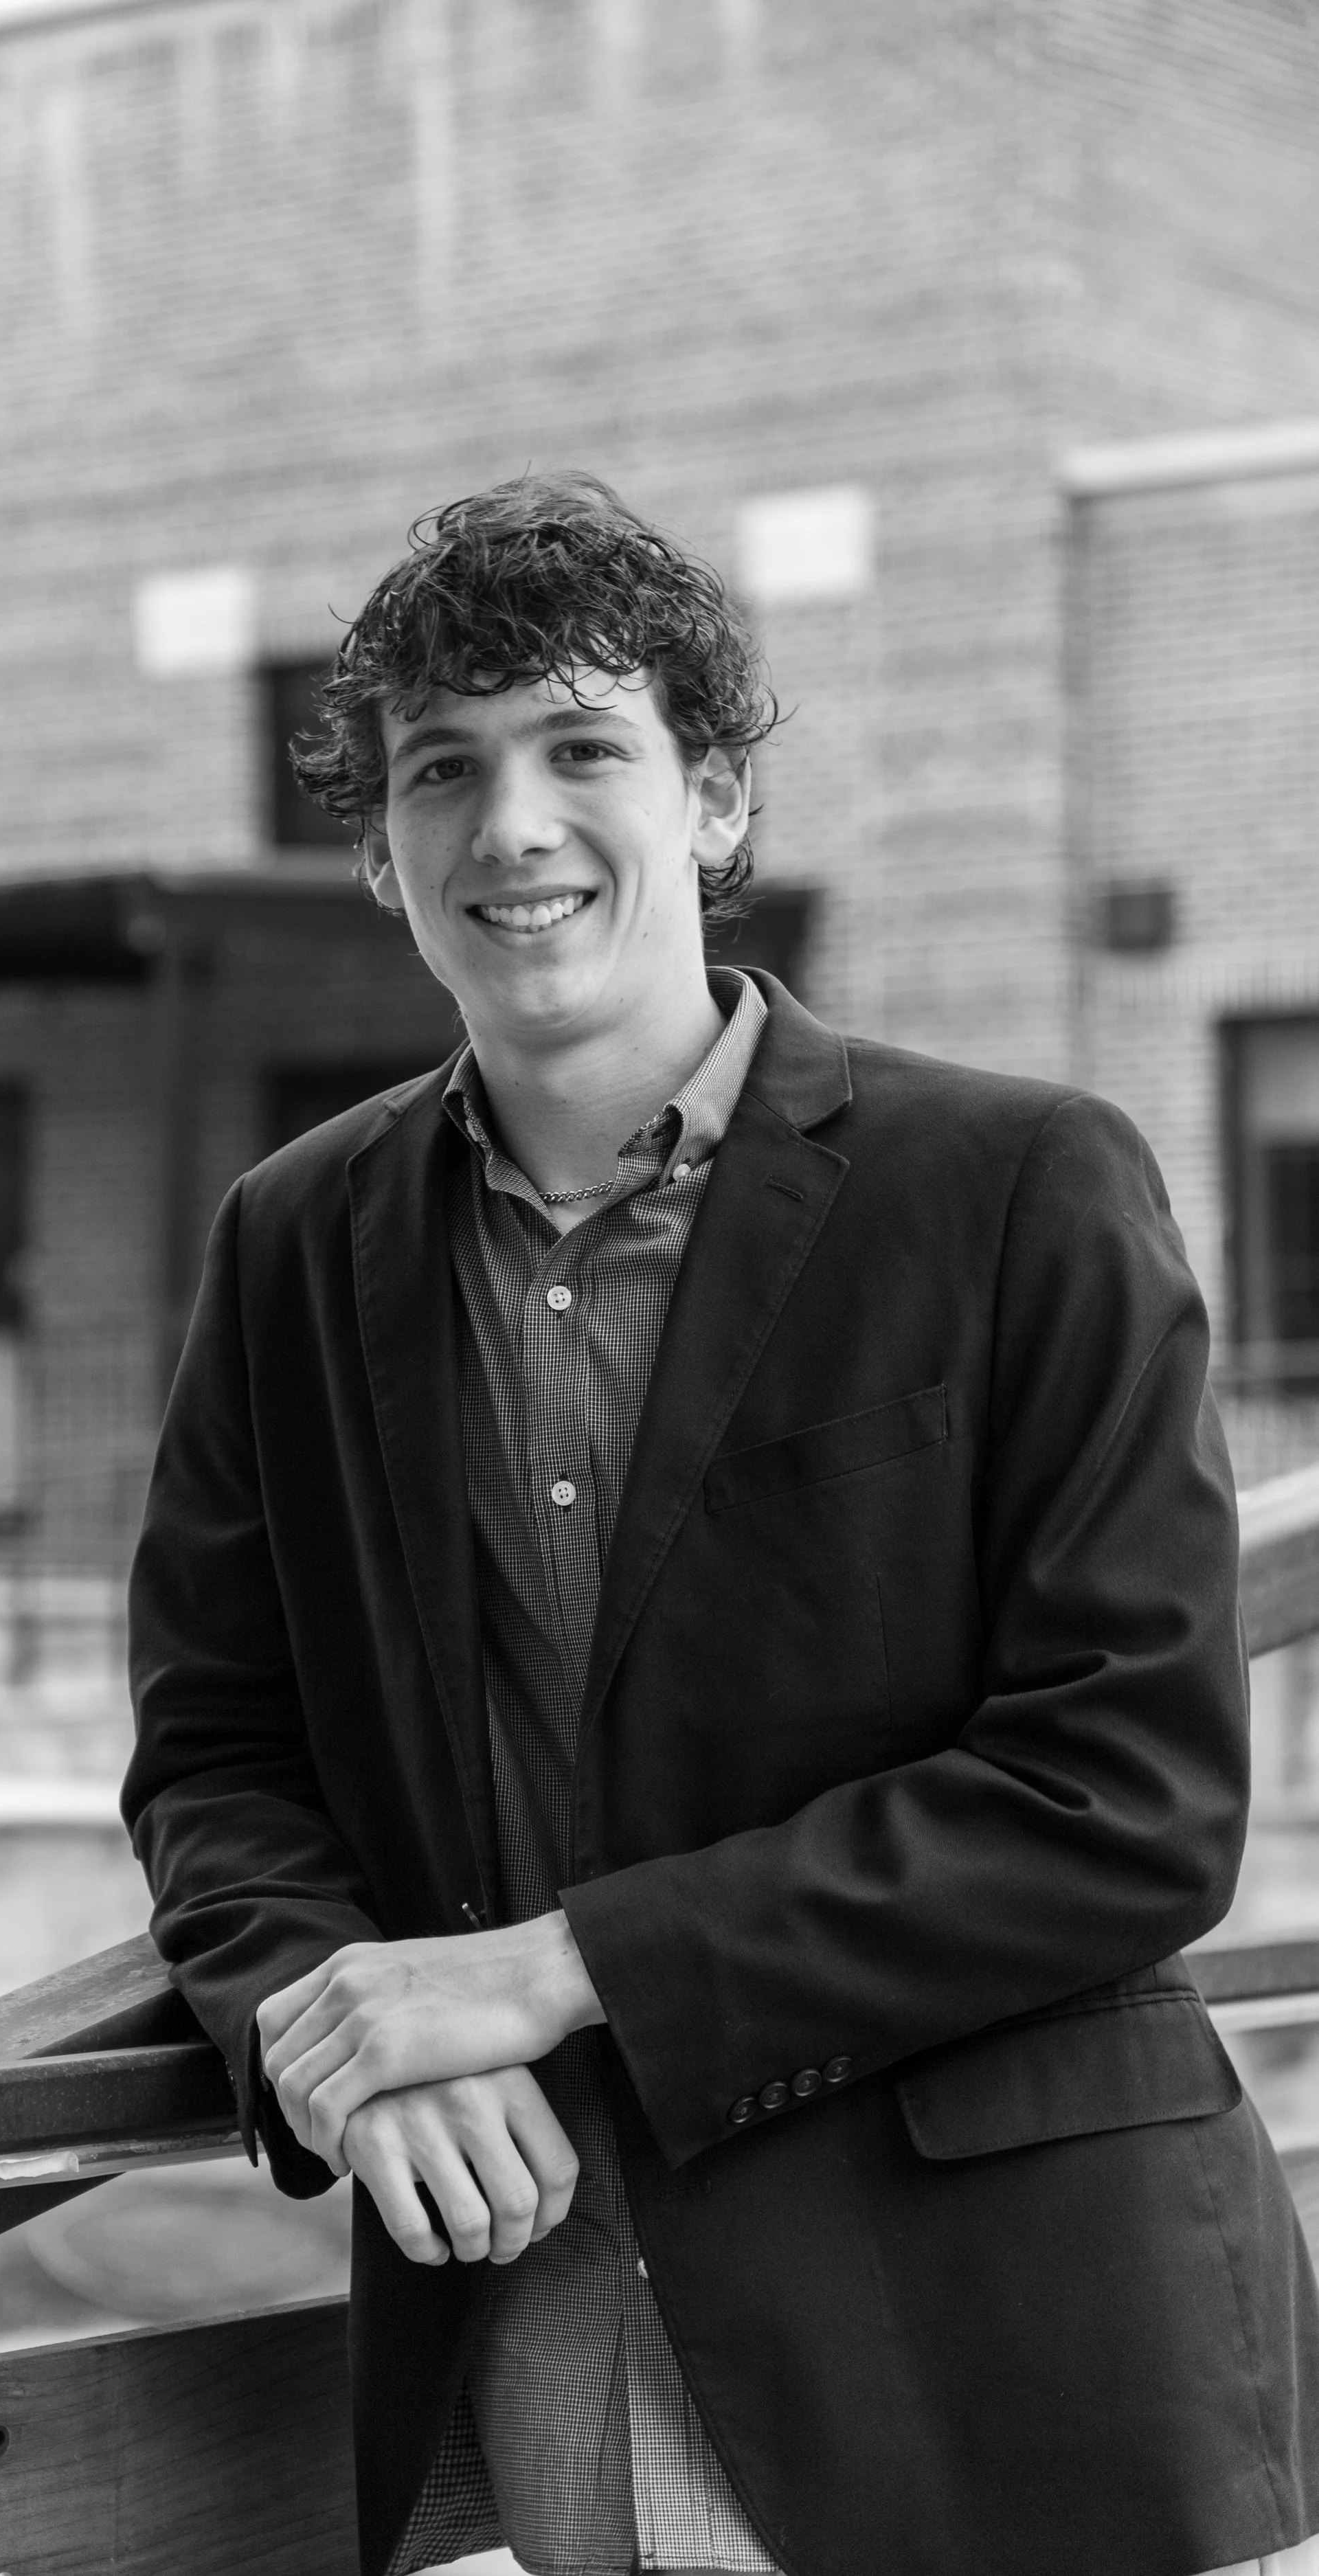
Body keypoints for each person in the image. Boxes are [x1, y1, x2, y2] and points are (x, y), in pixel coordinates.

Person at [122, 473, 1319, 2576]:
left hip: (1023, 2357)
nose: (511, 827)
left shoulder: (1019, 1182)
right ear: (376, 853)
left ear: (715, 805)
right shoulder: (287, 1239)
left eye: (584, 750)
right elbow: (217, 1751)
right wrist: (339, 2029)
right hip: (550, 2316)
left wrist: (545, 1969)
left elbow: (1127, 1796)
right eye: (442, 771)